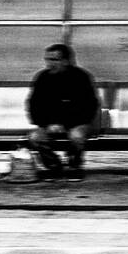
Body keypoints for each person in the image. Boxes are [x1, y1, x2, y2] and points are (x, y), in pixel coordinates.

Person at [26, 43, 100, 182]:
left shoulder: (80, 77)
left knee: (76, 135)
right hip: (49, 125)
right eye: (47, 59)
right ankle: (53, 165)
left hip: (78, 124)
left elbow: (88, 106)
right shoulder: (42, 78)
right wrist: (47, 124)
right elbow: (33, 106)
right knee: (35, 137)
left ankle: (74, 166)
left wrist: (65, 124)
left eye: (54, 60)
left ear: (66, 61)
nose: (49, 64)